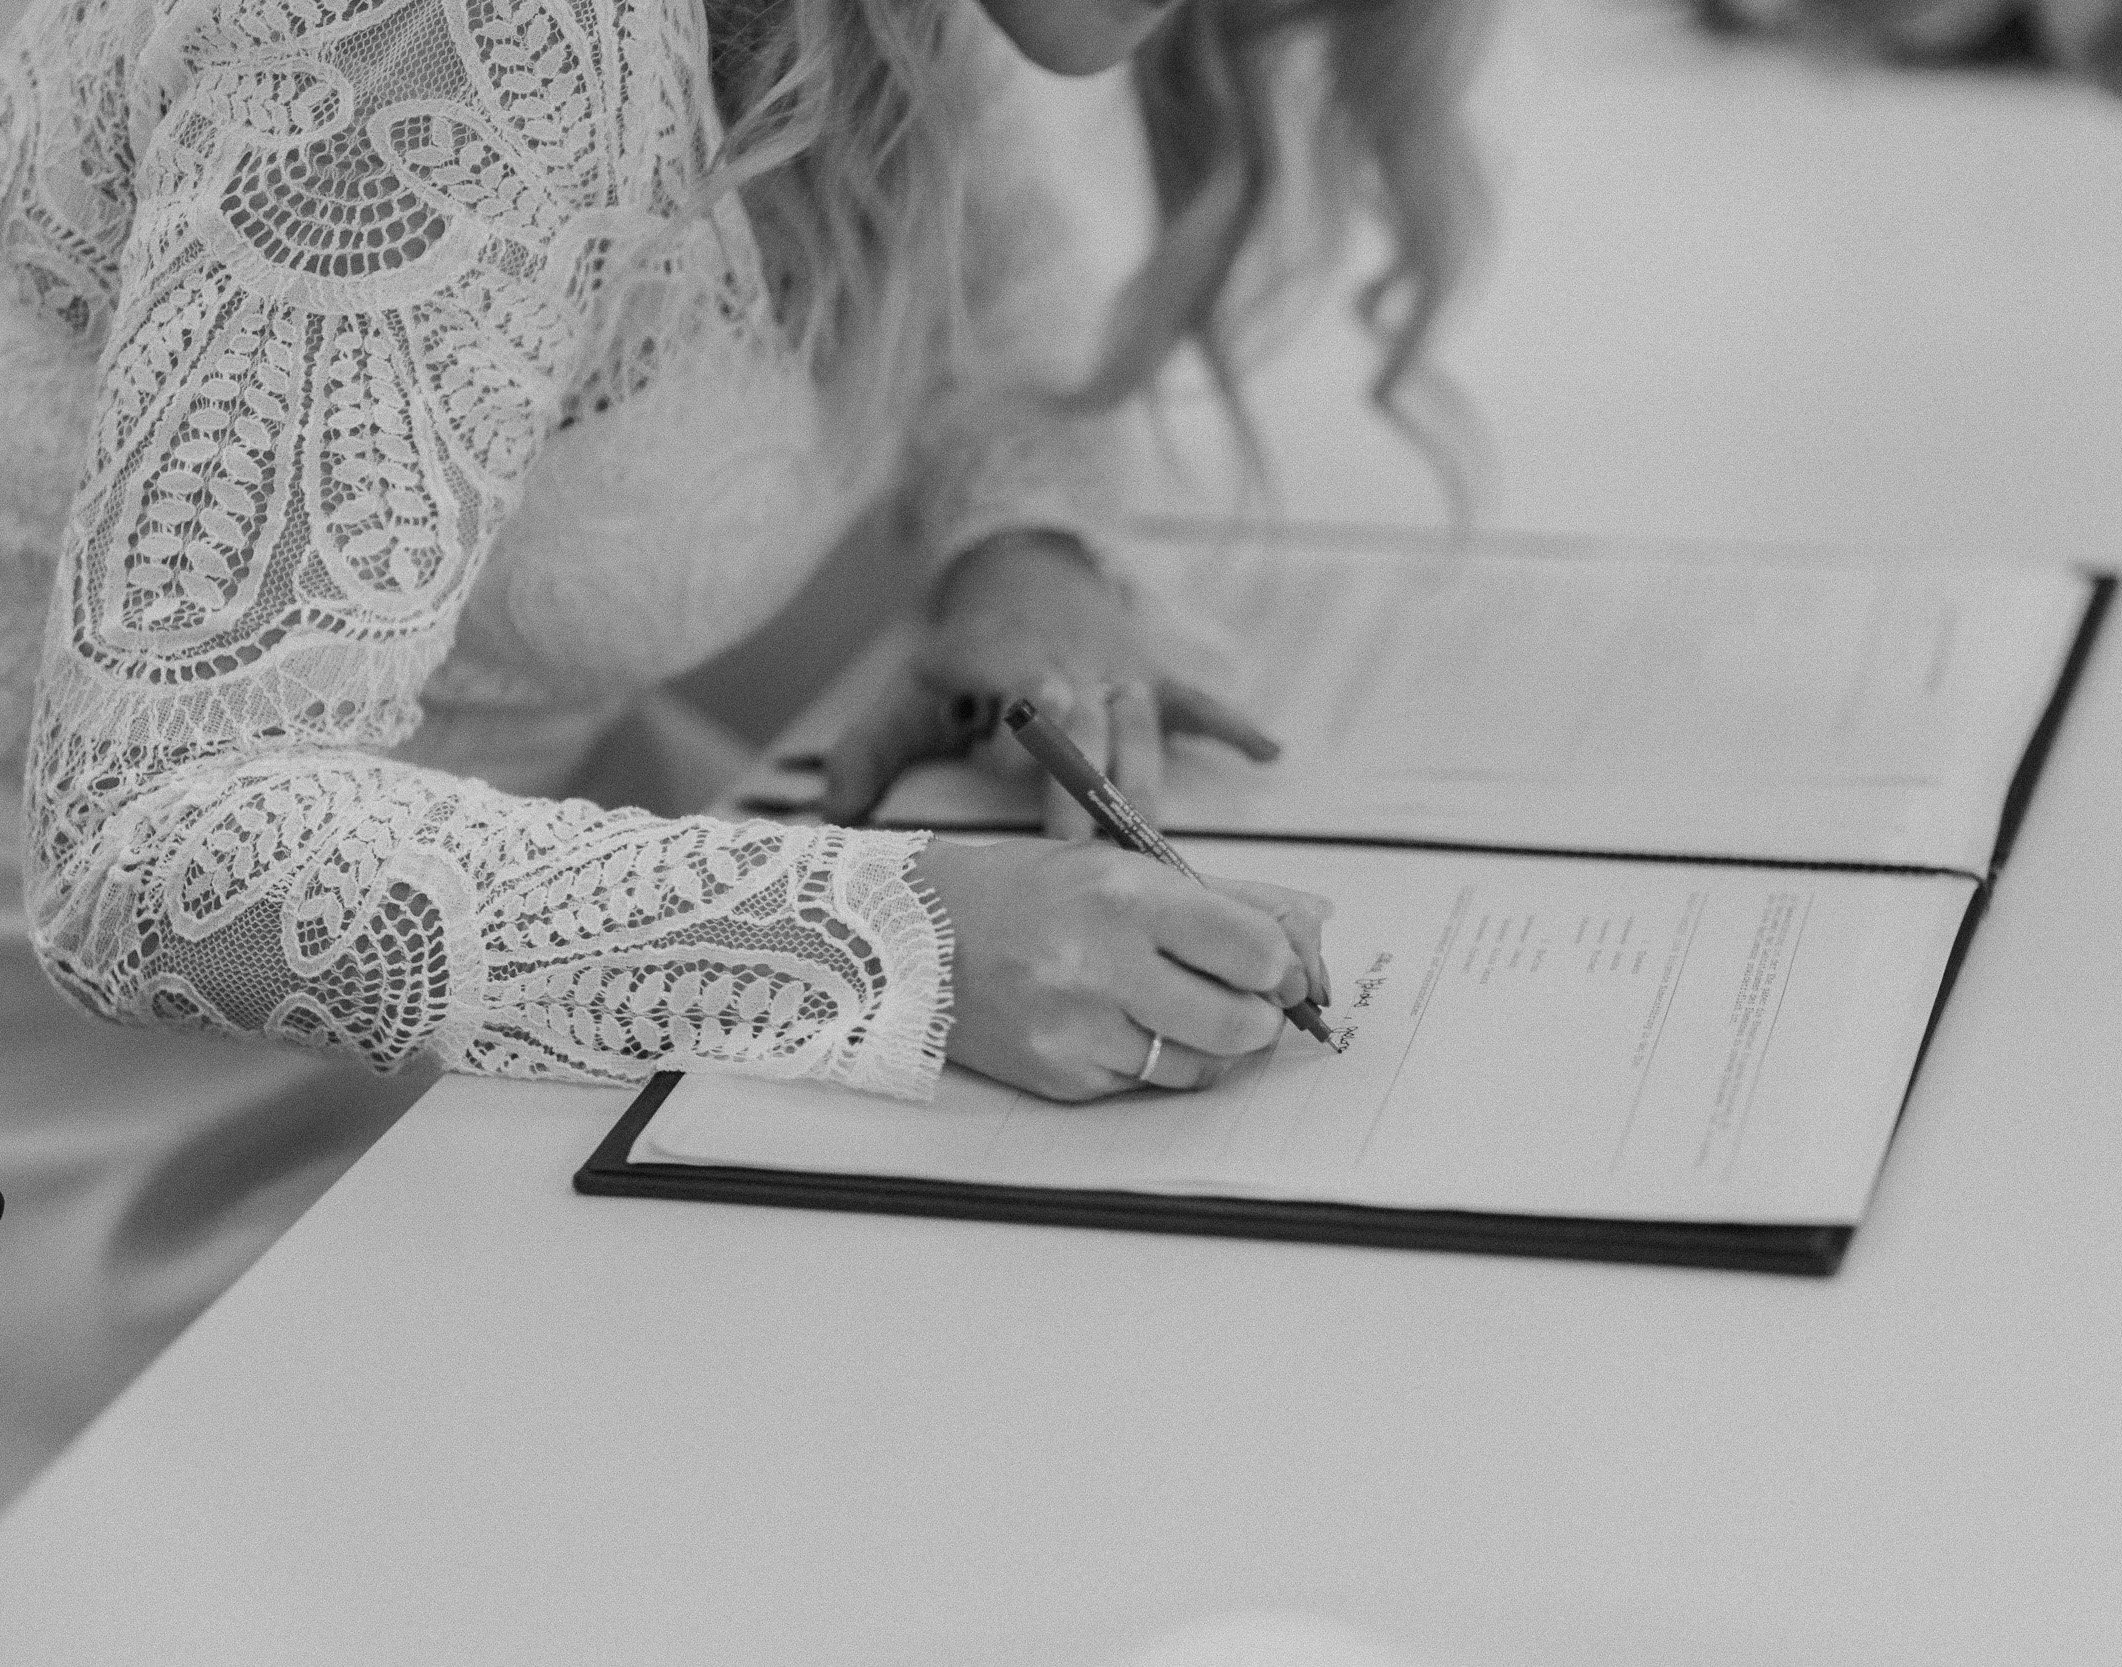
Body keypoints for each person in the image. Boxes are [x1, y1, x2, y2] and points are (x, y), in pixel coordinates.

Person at [0, 0, 1489, 1498]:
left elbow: (1008, 313)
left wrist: (1023, 555)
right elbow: (155, 841)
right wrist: (910, 947)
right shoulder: (451, 32)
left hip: (496, 982)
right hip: (140, 1134)